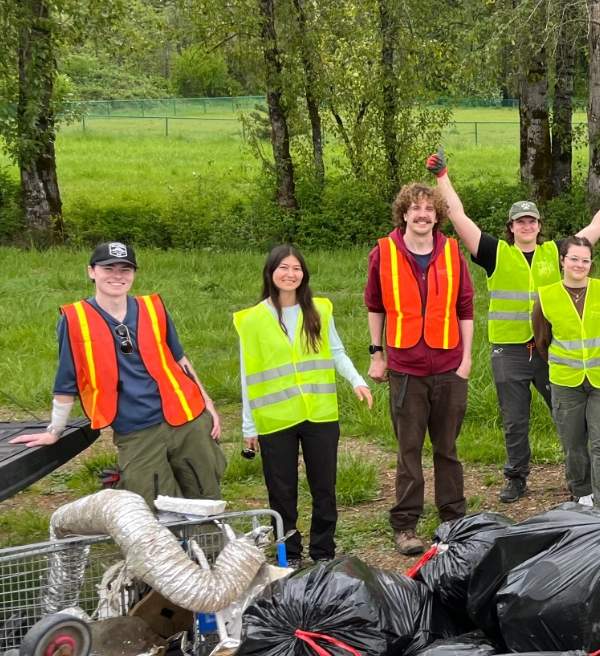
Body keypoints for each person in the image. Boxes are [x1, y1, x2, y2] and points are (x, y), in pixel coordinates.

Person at [427, 148, 600, 504]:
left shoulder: (558, 253)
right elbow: (458, 217)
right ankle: (517, 476)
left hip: (551, 351)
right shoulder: (496, 254)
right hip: (509, 351)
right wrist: (442, 177)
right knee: (515, 419)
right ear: (511, 227)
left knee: (569, 418)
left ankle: (581, 481)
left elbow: (596, 228)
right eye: (520, 221)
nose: (526, 225)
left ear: (539, 226)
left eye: (532, 221)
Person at [13, 242, 225, 504]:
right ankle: (171, 545)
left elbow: (179, 359)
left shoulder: (153, 308)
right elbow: (67, 380)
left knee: (205, 492)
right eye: (108, 268)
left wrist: (207, 403)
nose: (117, 275)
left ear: (133, 274)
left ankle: (210, 545)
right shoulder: (75, 318)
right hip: (135, 426)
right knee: (155, 502)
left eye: (125, 269)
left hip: (187, 417)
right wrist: (54, 431)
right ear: (92, 271)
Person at [236, 246, 374, 569]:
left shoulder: (319, 310)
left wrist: (356, 380)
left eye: (296, 268)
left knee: (324, 488)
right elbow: (247, 375)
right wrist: (248, 426)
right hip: (275, 419)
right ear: (270, 273)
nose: (290, 274)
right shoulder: (253, 319)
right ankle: (290, 554)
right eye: (283, 268)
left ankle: (324, 552)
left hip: (320, 414)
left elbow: (336, 352)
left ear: (304, 274)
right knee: (282, 493)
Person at [365, 182, 474, 556]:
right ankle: (406, 525)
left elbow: (465, 307)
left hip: (448, 366)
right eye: (415, 208)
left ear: (437, 215)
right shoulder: (383, 252)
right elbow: (375, 305)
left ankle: (454, 520)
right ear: (404, 214)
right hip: (405, 368)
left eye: (429, 208)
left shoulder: (453, 251)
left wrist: (467, 358)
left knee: (447, 448)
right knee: (408, 450)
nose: (422, 214)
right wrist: (377, 354)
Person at [533, 236, 600, 516]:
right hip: (566, 382)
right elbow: (542, 341)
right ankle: (582, 492)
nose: (580, 264)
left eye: (585, 260)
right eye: (574, 258)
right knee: (573, 444)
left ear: (591, 263)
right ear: (562, 261)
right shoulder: (547, 296)